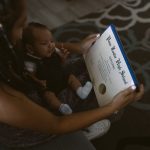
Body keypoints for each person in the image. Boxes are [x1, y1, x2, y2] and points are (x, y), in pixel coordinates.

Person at [0, 1, 145, 149]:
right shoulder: (3, 97)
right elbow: (56, 124)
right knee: (103, 99)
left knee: (85, 66)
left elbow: (39, 45)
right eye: (21, 26)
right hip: (33, 126)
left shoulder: (11, 46)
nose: (25, 30)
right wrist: (112, 106)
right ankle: (82, 127)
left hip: (35, 87)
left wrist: (78, 47)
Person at [22, 22, 94, 115]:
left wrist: (63, 58)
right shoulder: (31, 62)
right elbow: (30, 75)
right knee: (48, 96)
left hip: (60, 76)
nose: (50, 45)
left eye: (51, 41)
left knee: (71, 77)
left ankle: (81, 91)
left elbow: (61, 64)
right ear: (31, 49)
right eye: (44, 43)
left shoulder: (53, 51)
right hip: (48, 86)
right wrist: (38, 81)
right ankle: (61, 107)